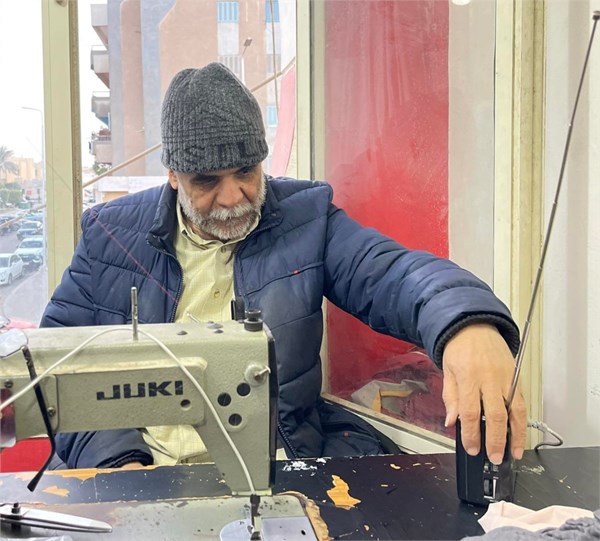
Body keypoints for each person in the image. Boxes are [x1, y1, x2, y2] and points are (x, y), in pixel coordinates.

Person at [42, 63, 527, 469]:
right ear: (172, 174)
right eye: (206, 181)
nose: (232, 197)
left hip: (277, 464)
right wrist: (119, 466)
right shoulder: (109, 236)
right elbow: (57, 374)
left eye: (246, 172)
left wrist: (466, 323)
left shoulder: (306, 219)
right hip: (145, 467)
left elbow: (392, 273)